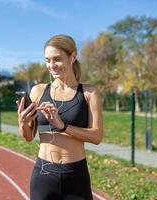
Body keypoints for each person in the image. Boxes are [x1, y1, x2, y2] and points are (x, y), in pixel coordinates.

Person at [17, 34, 103, 200]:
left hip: (76, 176)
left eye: (57, 59)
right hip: (44, 175)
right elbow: (28, 137)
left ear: (73, 57)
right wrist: (23, 123)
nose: (51, 65)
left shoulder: (89, 92)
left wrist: (62, 125)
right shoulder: (38, 91)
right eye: (47, 60)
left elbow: (97, 136)